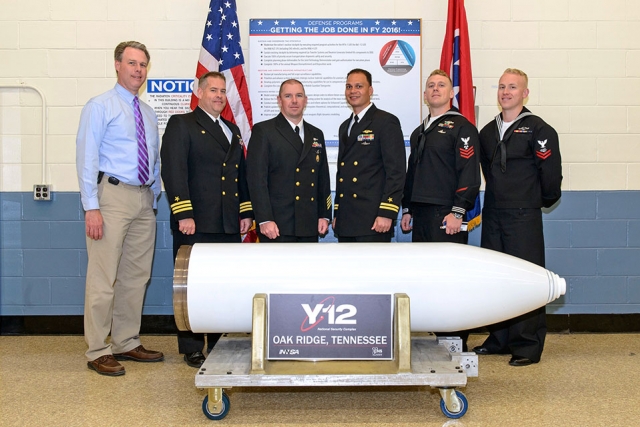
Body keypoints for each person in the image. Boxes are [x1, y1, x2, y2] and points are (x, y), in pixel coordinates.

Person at [76, 41, 163, 376]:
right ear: (117, 65)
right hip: (110, 197)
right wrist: (91, 207)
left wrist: (153, 194)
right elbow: (86, 157)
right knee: (103, 277)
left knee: (135, 277)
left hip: (143, 200)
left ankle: (126, 341)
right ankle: (98, 348)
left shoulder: (148, 112)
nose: (138, 70)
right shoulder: (100, 106)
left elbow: (152, 158)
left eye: (143, 64)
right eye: (132, 63)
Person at [160, 71, 253, 367]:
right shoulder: (182, 124)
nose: (219, 95)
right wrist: (183, 212)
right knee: (191, 285)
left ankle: (217, 341)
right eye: (213, 89)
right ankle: (191, 345)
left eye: (223, 91)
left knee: (220, 284)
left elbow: (240, 176)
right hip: (196, 221)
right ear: (200, 92)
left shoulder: (231, 129)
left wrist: (246, 211)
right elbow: (173, 171)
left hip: (227, 224)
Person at [473, 68, 562, 367]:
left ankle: (527, 345)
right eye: (501, 87)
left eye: (512, 87)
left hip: (524, 216)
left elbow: (550, 177)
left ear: (525, 93)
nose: (506, 92)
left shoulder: (539, 129)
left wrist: (535, 201)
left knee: (527, 280)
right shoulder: (487, 131)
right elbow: (488, 168)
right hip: (495, 214)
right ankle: (499, 339)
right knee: (497, 278)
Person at [401, 69, 481, 351]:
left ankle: (455, 341)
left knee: (450, 281)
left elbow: (470, 173)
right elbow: (413, 172)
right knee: (427, 279)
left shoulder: (462, 128)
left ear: (452, 93)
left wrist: (458, 212)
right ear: (425, 96)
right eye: (430, 86)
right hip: (421, 214)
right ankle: (434, 338)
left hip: (446, 215)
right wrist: (407, 208)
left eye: (441, 85)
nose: (435, 89)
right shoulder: (420, 130)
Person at [246, 79, 331, 242]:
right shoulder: (264, 131)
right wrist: (264, 219)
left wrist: (324, 215)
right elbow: (257, 179)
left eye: (299, 95)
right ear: (279, 100)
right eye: (288, 96)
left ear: (305, 100)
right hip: (277, 225)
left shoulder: (316, 134)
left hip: (309, 223)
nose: (294, 101)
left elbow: (322, 178)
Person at [333, 68, 406, 242]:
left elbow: (396, 171)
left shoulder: (385, 121)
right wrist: (338, 213)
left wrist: (387, 212)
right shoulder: (345, 126)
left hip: (374, 219)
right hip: (347, 219)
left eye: (359, 86)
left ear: (370, 90)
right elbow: (342, 174)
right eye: (349, 86)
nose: (353, 91)